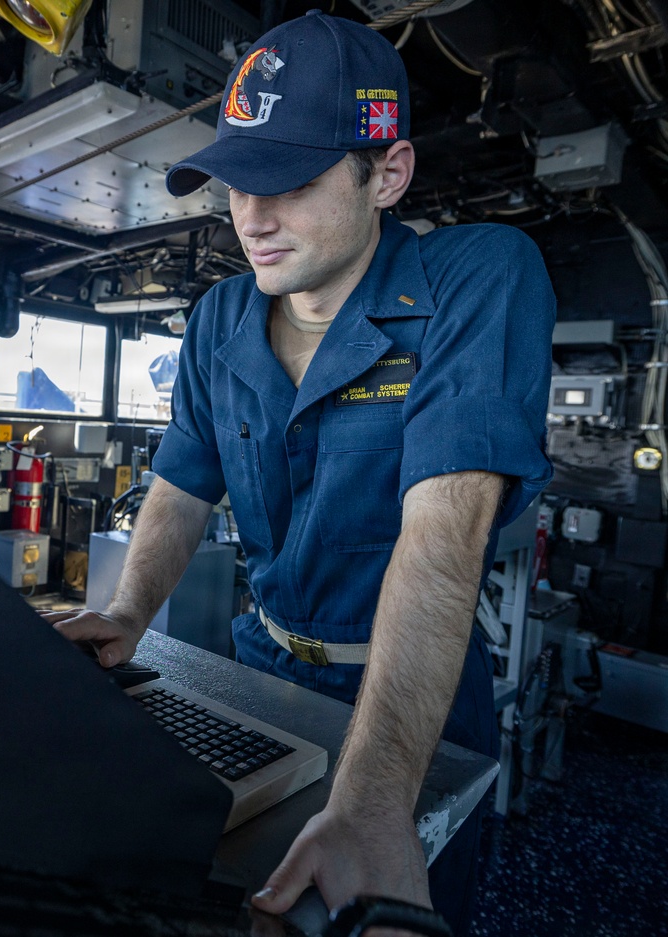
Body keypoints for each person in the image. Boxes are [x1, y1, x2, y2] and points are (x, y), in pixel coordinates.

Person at [43, 11, 554, 936]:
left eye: (292, 180)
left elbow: (441, 541)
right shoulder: (219, 318)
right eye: (239, 181)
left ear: (386, 173)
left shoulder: (478, 278)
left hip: (413, 702)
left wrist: (373, 798)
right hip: (263, 670)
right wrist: (125, 615)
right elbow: (182, 487)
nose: (252, 216)